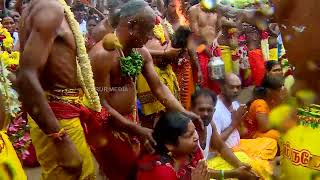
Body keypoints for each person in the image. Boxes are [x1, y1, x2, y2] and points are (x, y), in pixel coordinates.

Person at [87, 1, 201, 179]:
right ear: (132, 26)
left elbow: (159, 88)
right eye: (148, 30)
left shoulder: (139, 52)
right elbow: (100, 107)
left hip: (131, 121)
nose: (150, 36)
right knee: (122, 172)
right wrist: (136, 130)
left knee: (135, 170)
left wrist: (184, 113)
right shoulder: (103, 55)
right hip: (107, 128)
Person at [16, 0, 99, 179]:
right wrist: (60, 139)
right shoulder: (49, 8)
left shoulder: (42, 6)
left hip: (60, 112)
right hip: (59, 117)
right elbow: (26, 77)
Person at [137, 111, 258, 180]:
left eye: (194, 130)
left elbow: (201, 172)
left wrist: (235, 173)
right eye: (189, 135)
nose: (195, 137)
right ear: (170, 145)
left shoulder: (190, 149)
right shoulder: (162, 172)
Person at [191, 89, 272, 179]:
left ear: (213, 111)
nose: (205, 114)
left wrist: (240, 165)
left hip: (205, 168)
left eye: (209, 110)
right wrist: (234, 173)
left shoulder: (210, 124)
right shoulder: (188, 131)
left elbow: (222, 148)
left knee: (246, 161)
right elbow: (194, 170)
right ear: (192, 109)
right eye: (201, 110)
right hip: (194, 175)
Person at [213, 73, 278, 161]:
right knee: (260, 164)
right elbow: (215, 144)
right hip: (225, 152)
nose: (235, 90)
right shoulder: (216, 109)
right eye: (232, 87)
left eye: (238, 87)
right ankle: (255, 161)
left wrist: (241, 123)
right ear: (222, 87)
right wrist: (234, 124)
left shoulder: (235, 105)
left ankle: (255, 159)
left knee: (271, 143)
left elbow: (243, 132)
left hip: (239, 145)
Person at [188, 0, 222, 94]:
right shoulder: (194, 10)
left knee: (218, 85)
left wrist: (216, 39)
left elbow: (220, 29)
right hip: (201, 50)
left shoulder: (217, 9)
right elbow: (196, 35)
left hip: (214, 50)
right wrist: (209, 53)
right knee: (204, 87)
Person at [243, 76, 284, 140]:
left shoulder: (272, 102)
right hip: (253, 135)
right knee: (277, 135)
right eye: (279, 90)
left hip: (262, 133)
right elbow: (264, 127)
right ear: (269, 91)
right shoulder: (260, 103)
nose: (281, 93)